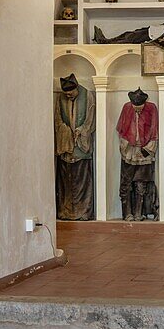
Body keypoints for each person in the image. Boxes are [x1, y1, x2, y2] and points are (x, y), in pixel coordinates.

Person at [54, 74, 95, 220]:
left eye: (71, 92)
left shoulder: (88, 95)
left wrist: (82, 130)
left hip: (81, 148)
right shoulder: (60, 98)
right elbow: (57, 118)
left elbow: (91, 118)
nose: (69, 95)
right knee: (65, 182)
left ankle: (83, 212)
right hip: (66, 148)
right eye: (66, 93)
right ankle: (65, 212)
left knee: (81, 180)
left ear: (77, 87)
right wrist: (65, 132)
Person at [116, 88, 159, 221]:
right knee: (126, 183)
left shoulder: (151, 108)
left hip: (145, 149)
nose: (137, 110)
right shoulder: (126, 107)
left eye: (140, 107)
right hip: (129, 149)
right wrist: (127, 145)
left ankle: (139, 213)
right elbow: (121, 129)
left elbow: (154, 129)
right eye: (135, 107)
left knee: (142, 183)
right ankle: (127, 213)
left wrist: (147, 149)